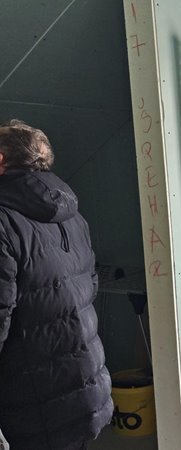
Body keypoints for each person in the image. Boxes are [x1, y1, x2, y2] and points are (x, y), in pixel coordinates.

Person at [0, 120, 113, 449]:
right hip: (83, 378)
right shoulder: (72, 214)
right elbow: (90, 284)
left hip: (34, 395)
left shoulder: (4, 221)